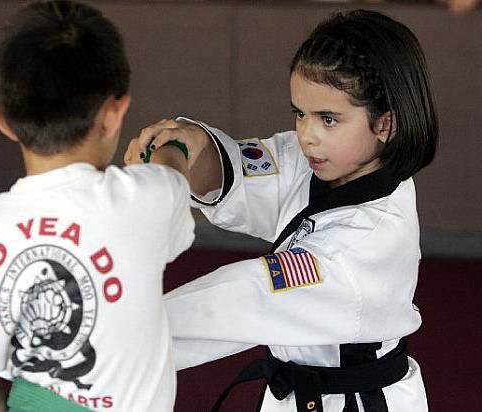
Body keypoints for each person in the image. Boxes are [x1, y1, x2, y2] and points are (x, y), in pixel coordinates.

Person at [126, 9, 438, 412]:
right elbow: (237, 169)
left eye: (329, 119)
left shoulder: (365, 242)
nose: (307, 135)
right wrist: (184, 146)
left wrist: (110, 338)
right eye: (300, 113)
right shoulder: (317, 160)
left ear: (385, 125)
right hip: (293, 394)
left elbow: (246, 297)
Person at [0, 1, 194, 411]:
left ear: (2, 119)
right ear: (114, 113)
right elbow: (174, 172)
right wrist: (172, 143)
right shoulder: (149, 198)